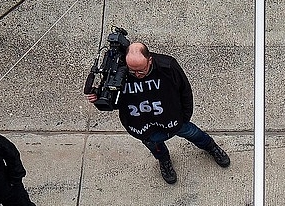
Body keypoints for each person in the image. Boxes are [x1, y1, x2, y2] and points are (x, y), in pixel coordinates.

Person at [86, 41, 231, 185]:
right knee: (155, 147)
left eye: (141, 70)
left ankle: (211, 147)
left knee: (193, 133)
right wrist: (98, 98)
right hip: (141, 124)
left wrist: (185, 116)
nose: (137, 75)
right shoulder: (117, 72)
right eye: (132, 71)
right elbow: (114, 103)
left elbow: (185, 91)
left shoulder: (167, 66)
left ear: (150, 60)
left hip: (172, 118)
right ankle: (164, 161)